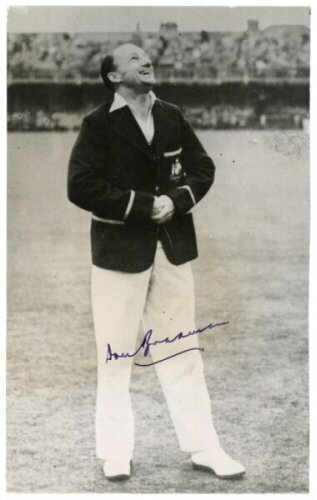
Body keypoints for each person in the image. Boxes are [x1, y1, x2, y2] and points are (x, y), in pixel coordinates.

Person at [67, 43, 246, 482]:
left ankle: (204, 447)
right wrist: (145, 205)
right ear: (113, 76)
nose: (145, 60)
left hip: (171, 250)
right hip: (118, 254)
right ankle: (115, 452)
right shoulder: (97, 124)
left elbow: (202, 169)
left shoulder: (171, 115)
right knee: (116, 354)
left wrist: (177, 200)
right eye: (132, 58)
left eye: (146, 55)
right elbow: (80, 185)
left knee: (182, 351)